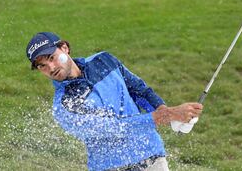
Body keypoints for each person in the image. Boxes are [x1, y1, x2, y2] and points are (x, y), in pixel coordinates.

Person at [26, 32, 203, 171]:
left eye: (51, 57)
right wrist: (165, 115)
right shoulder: (64, 105)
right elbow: (113, 128)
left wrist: (166, 111)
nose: (51, 67)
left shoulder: (104, 60)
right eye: (41, 65)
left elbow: (138, 90)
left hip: (152, 157)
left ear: (64, 48)